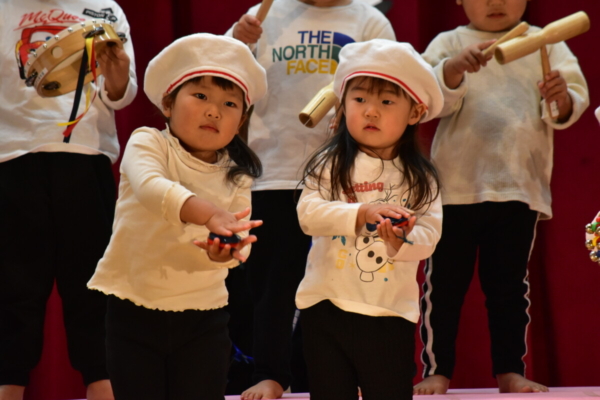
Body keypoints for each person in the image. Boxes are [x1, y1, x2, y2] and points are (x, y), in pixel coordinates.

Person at [414, 0, 589, 395]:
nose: (495, 2)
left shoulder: (545, 41)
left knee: (509, 289)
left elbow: (566, 106)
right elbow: (423, 102)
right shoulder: (449, 42)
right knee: (443, 288)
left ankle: (510, 370)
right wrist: (452, 69)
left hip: (518, 187)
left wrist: (561, 97)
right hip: (454, 189)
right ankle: (437, 370)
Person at [226, 1, 395, 398]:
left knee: (342, 281)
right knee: (273, 285)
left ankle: (333, 378)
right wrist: (237, 41)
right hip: (274, 173)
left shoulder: (369, 20)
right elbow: (225, 79)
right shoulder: (264, 14)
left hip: (345, 179)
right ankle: (270, 373)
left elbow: (391, 92)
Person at [87, 33, 267, 400]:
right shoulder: (147, 142)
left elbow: (238, 236)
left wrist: (225, 251)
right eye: (200, 96)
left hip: (204, 316)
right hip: (133, 309)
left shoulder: (238, 172)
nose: (214, 111)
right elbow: (152, 188)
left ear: (241, 121)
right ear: (168, 103)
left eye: (229, 103)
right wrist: (210, 213)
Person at [0, 1, 137, 399]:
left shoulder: (105, 7)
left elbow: (121, 95)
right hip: (13, 158)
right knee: (13, 289)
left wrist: (117, 73)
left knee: (93, 285)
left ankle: (103, 385)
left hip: (85, 157)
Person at [295, 39, 444, 400]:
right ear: (343, 105)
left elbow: (430, 234)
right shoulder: (330, 162)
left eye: (387, 102)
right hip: (325, 306)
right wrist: (361, 212)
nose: (371, 112)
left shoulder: (421, 177)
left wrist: (401, 242)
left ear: (415, 112)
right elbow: (308, 215)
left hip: (388, 313)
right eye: (359, 99)